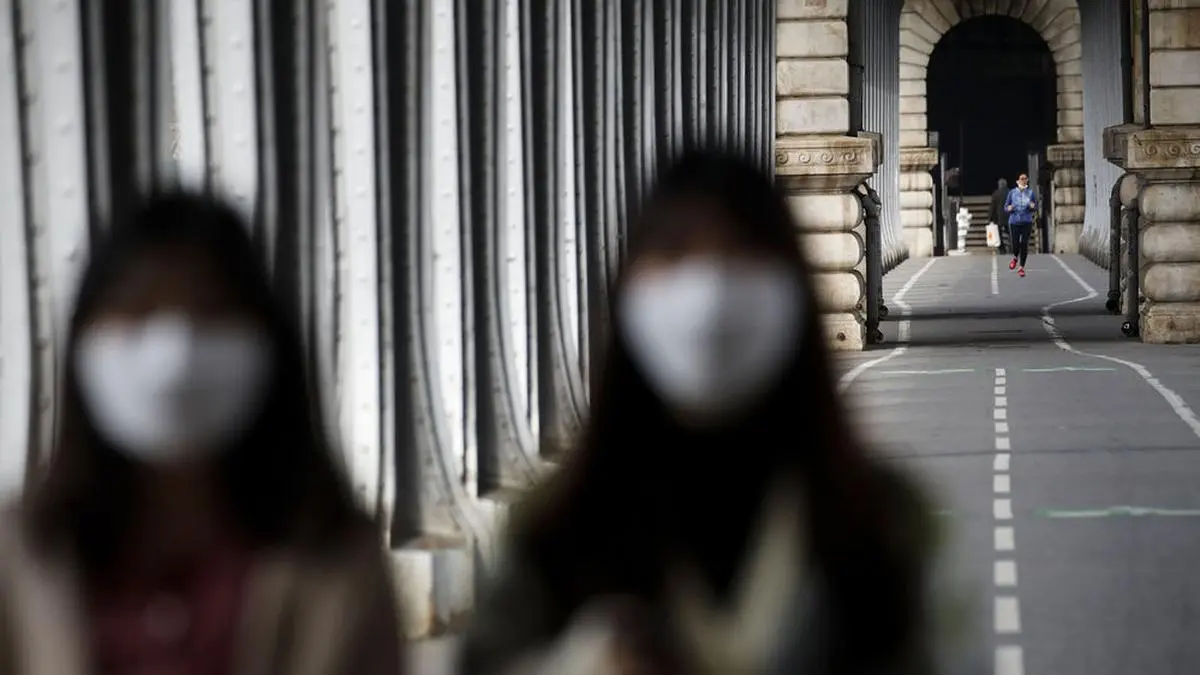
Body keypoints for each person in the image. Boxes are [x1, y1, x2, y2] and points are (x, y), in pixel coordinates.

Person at [455, 152, 946, 675]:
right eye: (675, 253)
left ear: (794, 291)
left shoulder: (879, 523)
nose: (710, 291)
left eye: (742, 253)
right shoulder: (557, 528)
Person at [0, 192, 405, 675]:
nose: (175, 351)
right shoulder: (25, 553)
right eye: (137, 310)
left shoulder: (336, 557)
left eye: (211, 312)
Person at [1004, 173, 1038, 277]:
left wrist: (1033, 206)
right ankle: (1015, 257)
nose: (1023, 180)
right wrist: (1009, 208)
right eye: (1022, 179)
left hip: (1027, 221)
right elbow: (1006, 207)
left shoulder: (1030, 193)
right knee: (1015, 243)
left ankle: (1021, 267)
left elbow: (1035, 206)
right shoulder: (1012, 193)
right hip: (1014, 221)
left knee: (1024, 244)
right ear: (1018, 181)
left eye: (1025, 179)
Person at [989, 178, 1010, 253]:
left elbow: (993, 207)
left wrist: (990, 218)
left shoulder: (996, 193)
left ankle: (1002, 249)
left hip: (999, 218)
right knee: (1011, 233)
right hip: (1010, 217)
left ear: (999, 185)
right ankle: (1012, 248)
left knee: (999, 234)